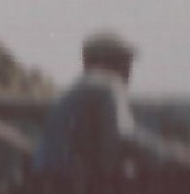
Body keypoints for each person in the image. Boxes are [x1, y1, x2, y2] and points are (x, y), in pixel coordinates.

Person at [30, 30, 188, 185]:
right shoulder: (109, 85)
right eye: (127, 62)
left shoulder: (74, 91)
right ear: (114, 62)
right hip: (75, 188)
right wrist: (174, 155)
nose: (129, 71)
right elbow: (124, 136)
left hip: (46, 181)